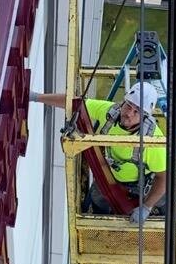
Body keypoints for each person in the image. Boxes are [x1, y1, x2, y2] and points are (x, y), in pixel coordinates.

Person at [29, 82, 166, 222]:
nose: (129, 114)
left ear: (144, 116)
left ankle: (163, 218)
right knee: (97, 198)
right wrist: (36, 97)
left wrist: (146, 207)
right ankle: (102, 224)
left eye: (136, 111)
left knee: (162, 201)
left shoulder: (153, 141)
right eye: (128, 106)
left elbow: (163, 178)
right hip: (112, 176)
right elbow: (75, 103)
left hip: (142, 184)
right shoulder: (111, 113)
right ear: (123, 101)